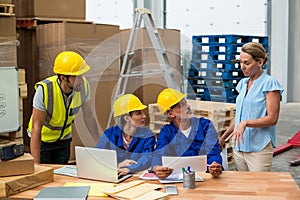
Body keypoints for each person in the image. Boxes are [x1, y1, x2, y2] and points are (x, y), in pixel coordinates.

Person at [219, 42, 284, 172]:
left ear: (260, 62)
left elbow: (272, 119)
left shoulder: (269, 83)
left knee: (258, 189)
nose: (242, 67)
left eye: (247, 63)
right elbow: (239, 116)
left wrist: (246, 123)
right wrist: (223, 138)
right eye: (240, 62)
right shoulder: (243, 84)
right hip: (239, 147)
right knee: (243, 189)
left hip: (258, 148)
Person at [27, 51, 100, 164]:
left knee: (61, 175)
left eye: (82, 76)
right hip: (43, 141)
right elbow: (36, 127)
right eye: (77, 77)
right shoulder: (45, 90)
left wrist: (99, 143)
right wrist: (36, 163)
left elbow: (89, 117)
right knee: (44, 176)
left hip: (63, 140)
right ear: (63, 78)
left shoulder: (83, 87)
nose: (82, 80)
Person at [151, 88, 223, 179]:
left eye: (186, 103)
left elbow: (213, 152)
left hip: (207, 177)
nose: (188, 106)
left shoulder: (205, 126)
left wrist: (214, 165)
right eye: (182, 105)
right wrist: (157, 168)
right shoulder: (166, 132)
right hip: (180, 180)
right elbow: (158, 155)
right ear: (170, 114)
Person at [95, 94, 155, 176]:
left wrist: (129, 169)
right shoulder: (110, 134)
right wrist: (117, 165)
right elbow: (98, 156)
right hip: (114, 175)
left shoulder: (148, 135)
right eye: (138, 113)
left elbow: (147, 158)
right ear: (126, 118)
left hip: (136, 176)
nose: (144, 116)